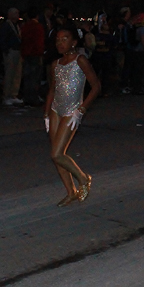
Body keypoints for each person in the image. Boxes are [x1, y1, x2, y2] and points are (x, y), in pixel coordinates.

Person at [44, 27, 101, 206]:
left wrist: (81, 110)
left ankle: (83, 178)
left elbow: (96, 86)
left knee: (57, 154)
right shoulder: (55, 64)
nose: (60, 43)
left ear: (74, 42)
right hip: (56, 110)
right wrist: (46, 114)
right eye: (58, 40)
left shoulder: (80, 60)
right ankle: (71, 192)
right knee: (57, 155)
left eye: (65, 39)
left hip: (72, 111)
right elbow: (52, 90)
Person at [0, 7, 23, 108]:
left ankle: (13, 94)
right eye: (16, 13)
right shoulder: (7, 26)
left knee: (17, 74)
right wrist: (6, 51)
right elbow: (2, 39)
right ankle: (6, 95)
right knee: (9, 74)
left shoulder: (16, 25)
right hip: (10, 51)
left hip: (17, 50)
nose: (17, 15)